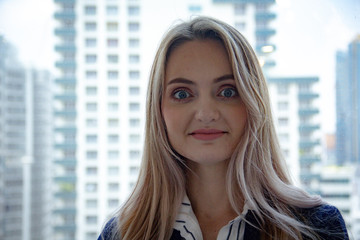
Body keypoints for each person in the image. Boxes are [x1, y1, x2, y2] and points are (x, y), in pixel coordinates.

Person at [98, 16, 349, 240]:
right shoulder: (122, 233)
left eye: (228, 91)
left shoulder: (317, 228)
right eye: (182, 93)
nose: (206, 114)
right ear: (158, 109)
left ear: (254, 103)